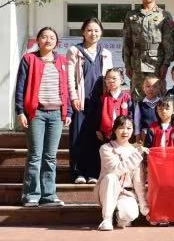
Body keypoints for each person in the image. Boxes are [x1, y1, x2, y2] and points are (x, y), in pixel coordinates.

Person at [15, 27, 72, 207]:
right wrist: (20, 111)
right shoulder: (29, 59)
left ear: (57, 42)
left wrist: (68, 111)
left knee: (50, 156)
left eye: (52, 37)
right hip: (36, 113)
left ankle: (48, 195)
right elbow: (20, 87)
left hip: (56, 114)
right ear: (38, 40)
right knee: (35, 155)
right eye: (44, 37)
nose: (48, 40)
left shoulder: (61, 60)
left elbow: (66, 88)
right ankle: (31, 195)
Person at [67, 18, 113, 183]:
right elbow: (69, 78)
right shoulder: (75, 51)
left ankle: (94, 173)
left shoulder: (105, 53)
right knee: (78, 137)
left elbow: (110, 78)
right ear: (83, 32)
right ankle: (78, 172)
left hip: (99, 102)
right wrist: (73, 97)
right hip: (80, 101)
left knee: (97, 137)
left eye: (96, 30)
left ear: (101, 33)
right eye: (89, 30)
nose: (93, 33)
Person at [123, 0, 174, 99]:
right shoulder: (131, 15)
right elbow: (127, 42)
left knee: (158, 97)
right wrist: (127, 65)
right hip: (137, 64)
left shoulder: (164, 15)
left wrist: (166, 64)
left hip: (156, 64)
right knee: (137, 97)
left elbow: (169, 43)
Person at [95, 115, 149, 231]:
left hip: (126, 192)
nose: (125, 131)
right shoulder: (106, 148)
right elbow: (116, 169)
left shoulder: (135, 151)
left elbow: (138, 181)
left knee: (130, 214)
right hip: (108, 189)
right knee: (111, 177)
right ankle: (107, 219)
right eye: (121, 128)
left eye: (129, 128)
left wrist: (144, 206)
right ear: (115, 130)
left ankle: (120, 217)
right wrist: (137, 156)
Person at [96, 68, 133, 142]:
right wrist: (98, 130)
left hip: (124, 134)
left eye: (114, 78)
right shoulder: (103, 98)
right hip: (106, 134)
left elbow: (131, 115)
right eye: (108, 79)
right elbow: (98, 116)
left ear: (121, 80)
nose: (111, 81)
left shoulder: (127, 98)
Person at [133, 74, 161, 143]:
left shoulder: (161, 103)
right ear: (143, 88)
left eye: (154, 86)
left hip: (159, 132)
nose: (151, 89)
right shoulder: (140, 104)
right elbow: (137, 121)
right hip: (145, 134)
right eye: (148, 86)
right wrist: (137, 134)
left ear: (159, 89)